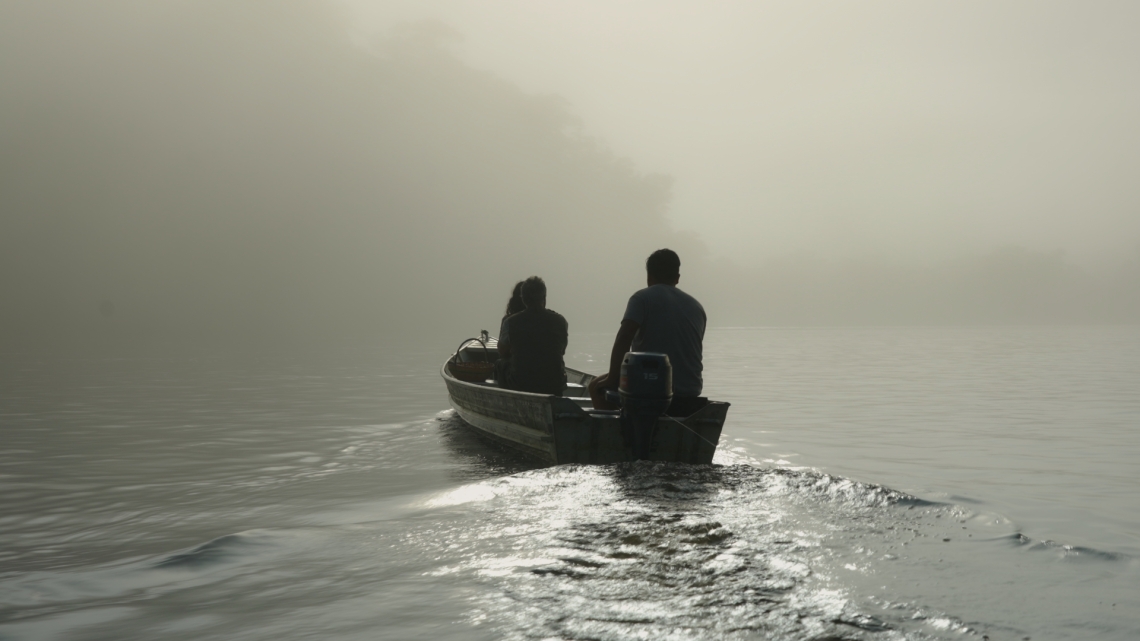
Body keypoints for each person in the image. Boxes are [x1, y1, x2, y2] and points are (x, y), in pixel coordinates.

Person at [589, 249, 706, 413]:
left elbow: (624, 337)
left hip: (650, 389)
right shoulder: (697, 307)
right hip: (691, 391)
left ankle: (617, 435)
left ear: (649, 276)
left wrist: (612, 378)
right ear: (677, 278)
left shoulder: (641, 298)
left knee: (596, 386)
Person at [497, 277, 568, 395]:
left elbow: (502, 352)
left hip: (521, 384)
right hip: (555, 385)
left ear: (523, 299)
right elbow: (562, 350)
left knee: (500, 364)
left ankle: (506, 399)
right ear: (544, 297)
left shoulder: (510, 322)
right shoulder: (560, 321)